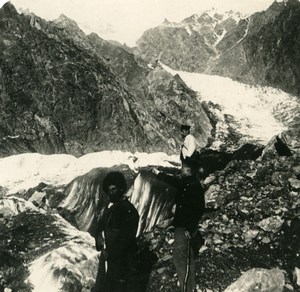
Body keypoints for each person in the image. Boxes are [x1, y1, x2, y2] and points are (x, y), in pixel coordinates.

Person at [152, 165, 205, 292]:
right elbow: (173, 181)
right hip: (182, 227)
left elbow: (198, 209)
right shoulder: (189, 183)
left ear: (188, 170)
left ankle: (186, 289)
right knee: (187, 259)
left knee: (180, 260)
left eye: (183, 168)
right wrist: (158, 173)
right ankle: (189, 288)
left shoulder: (192, 186)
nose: (180, 170)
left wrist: (189, 228)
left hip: (184, 229)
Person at [92, 171, 140, 292]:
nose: (111, 193)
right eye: (109, 190)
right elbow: (100, 226)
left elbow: (127, 237)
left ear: (121, 189)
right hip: (110, 258)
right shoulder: (110, 208)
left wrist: (111, 252)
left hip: (123, 260)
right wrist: (99, 238)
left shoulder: (129, 210)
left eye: (114, 189)